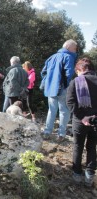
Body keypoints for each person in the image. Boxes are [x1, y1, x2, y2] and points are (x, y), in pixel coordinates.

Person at [66, 58, 97, 186]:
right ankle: (89, 177)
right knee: (92, 147)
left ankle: (77, 174)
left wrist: (82, 117)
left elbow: (70, 102)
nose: (77, 74)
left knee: (78, 146)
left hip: (79, 121)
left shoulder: (75, 82)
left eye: (77, 71)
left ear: (81, 69)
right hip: (96, 121)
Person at [41, 39, 77, 141]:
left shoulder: (52, 57)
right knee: (64, 111)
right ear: (69, 47)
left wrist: (49, 83)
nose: (75, 51)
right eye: (74, 49)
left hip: (51, 88)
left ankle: (47, 132)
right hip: (62, 88)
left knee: (51, 111)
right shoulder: (68, 57)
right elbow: (68, 73)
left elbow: (43, 72)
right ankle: (61, 134)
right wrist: (66, 85)